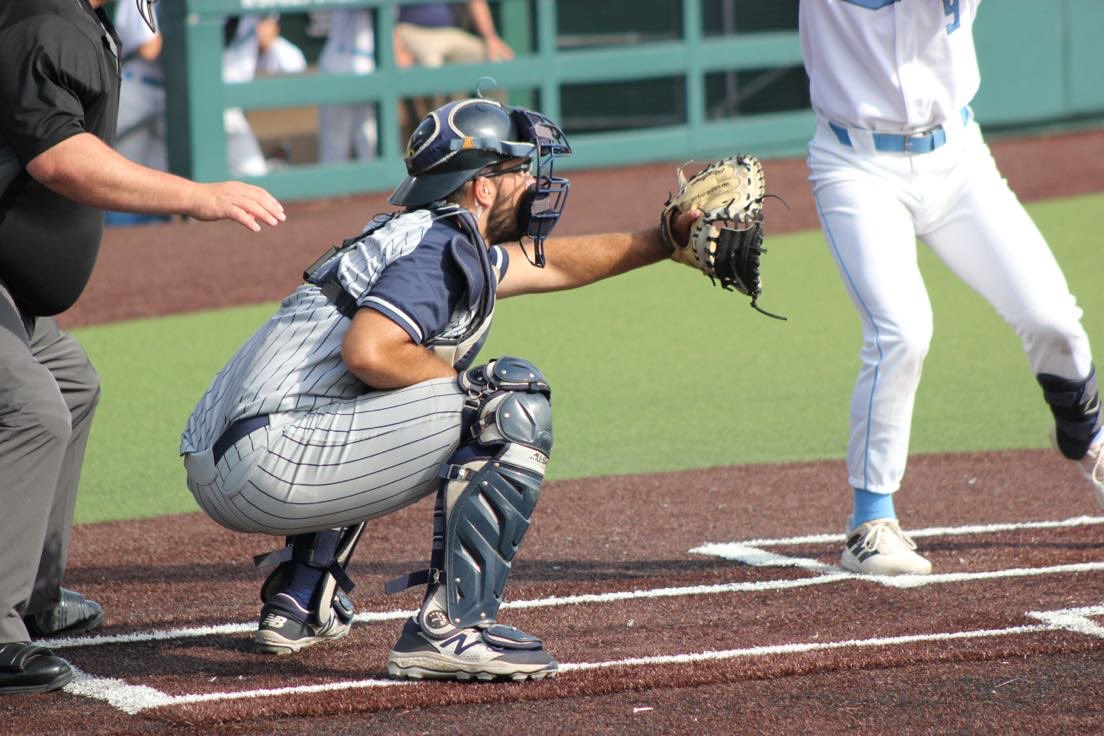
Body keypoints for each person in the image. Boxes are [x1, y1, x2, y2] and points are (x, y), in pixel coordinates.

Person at [180, 96, 699, 681]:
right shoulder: (440, 245)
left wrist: (665, 240)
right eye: (520, 171)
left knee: (387, 393)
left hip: (229, 456)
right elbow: (370, 351)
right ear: (481, 188)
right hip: (274, 461)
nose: (534, 183)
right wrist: (466, 388)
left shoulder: (421, 234)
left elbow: (549, 266)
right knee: (505, 401)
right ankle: (450, 630)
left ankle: (300, 600)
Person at [0, 0, 285, 696]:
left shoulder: (75, 19)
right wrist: (193, 194)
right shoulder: (47, 24)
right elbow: (60, 160)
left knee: (70, 382)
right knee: (34, 408)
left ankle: (35, 596)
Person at [799, 0, 1103, 576]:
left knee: (1052, 319)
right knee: (903, 330)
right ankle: (870, 521)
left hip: (957, 160)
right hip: (855, 165)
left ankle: (1090, 441)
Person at [317, 9, 379, 164]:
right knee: (335, 143)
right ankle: (334, 188)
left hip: (371, 63)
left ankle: (378, 188)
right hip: (338, 62)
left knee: (370, 139)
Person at [393, 1, 513, 70]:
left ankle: (493, 112)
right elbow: (389, 13)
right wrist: (396, 47)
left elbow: (476, 2)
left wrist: (490, 37)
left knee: (495, 60)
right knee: (431, 65)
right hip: (413, 32)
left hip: (452, 33)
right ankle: (436, 114)